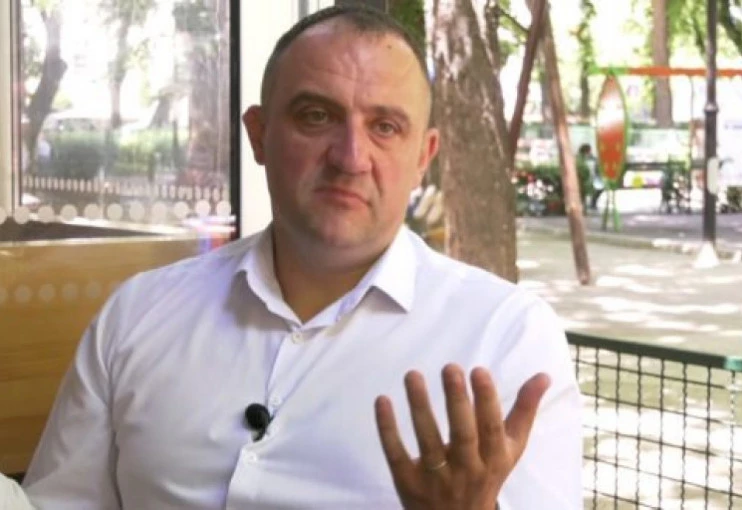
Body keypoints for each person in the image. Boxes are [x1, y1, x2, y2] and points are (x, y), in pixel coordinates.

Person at [23, 6, 582, 509]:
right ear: (259, 135)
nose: (351, 157)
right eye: (317, 116)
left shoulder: (504, 339)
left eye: (385, 127)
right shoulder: (138, 316)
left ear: (423, 157)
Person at [577, 143, 604, 211]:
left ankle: (591, 204)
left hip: (590, 178)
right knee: (596, 189)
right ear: (586, 150)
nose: (590, 152)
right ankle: (590, 204)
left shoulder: (588, 157)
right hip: (586, 179)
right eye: (589, 150)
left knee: (599, 188)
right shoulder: (580, 158)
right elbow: (582, 168)